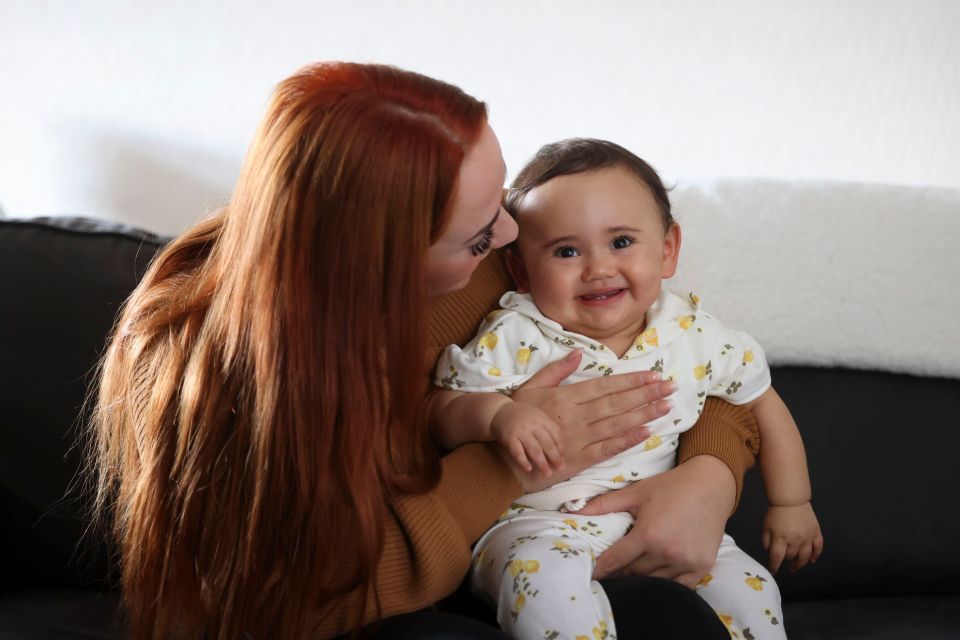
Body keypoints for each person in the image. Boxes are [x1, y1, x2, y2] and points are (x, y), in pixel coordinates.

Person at [91, 63, 759, 640]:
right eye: (476, 237)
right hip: (359, 612)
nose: (507, 235)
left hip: (537, 550)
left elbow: (700, 359)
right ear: (376, 265)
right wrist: (511, 465)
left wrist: (707, 478)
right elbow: (292, 598)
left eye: (503, 201)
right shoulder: (200, 358)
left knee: (673, 620)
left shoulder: (518, 251)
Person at [431, 138, 824, 639]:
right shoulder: (518, 332)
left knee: (751, 588)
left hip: (662, 520)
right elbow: (443, 409)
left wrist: (793, 501)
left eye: (621, 242)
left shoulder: (694, 333)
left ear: (667, 251)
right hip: (538, 527)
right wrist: (498, 416)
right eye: (566, 251)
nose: (597, 268)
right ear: (521, 270)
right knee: (544, 586)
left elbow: (761, 402)